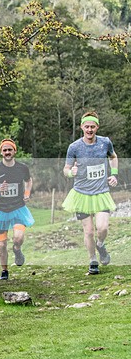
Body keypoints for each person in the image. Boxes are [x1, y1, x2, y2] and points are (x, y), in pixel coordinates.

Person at [62, 112, 118, 275]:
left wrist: (113, 174)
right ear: (82, 127)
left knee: (102, 228)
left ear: (97, 127)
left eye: (92, 126)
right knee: (89, 231)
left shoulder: (105, 143)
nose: (89, 129)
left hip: (101, 192)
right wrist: (71, 172)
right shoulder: (74, 147)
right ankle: (93, 260)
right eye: (87, 126)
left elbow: (113, 157)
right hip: (82, 194)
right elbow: (65, 170)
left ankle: (100, 244)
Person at [0, 139, 34, 280]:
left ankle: (17, 250)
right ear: (1, 152)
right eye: (5, 150)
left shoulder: (22, 168)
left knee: (18, 237)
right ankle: (4, 271)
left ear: (15, 151)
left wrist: (27, 194)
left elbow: (29, 181)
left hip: (18, 208)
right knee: (2, 243)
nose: (7, 152)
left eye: (10, 150)